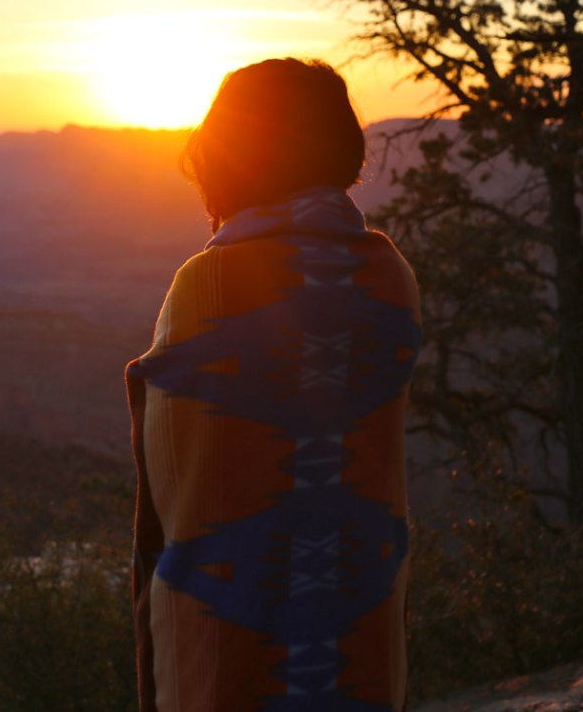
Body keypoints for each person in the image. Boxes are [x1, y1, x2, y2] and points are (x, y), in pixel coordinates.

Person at [126, 58, 421, 712]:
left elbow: (177, 493)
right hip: (359, 638)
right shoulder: (390, 273)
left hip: (232, 652)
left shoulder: (210, 282)